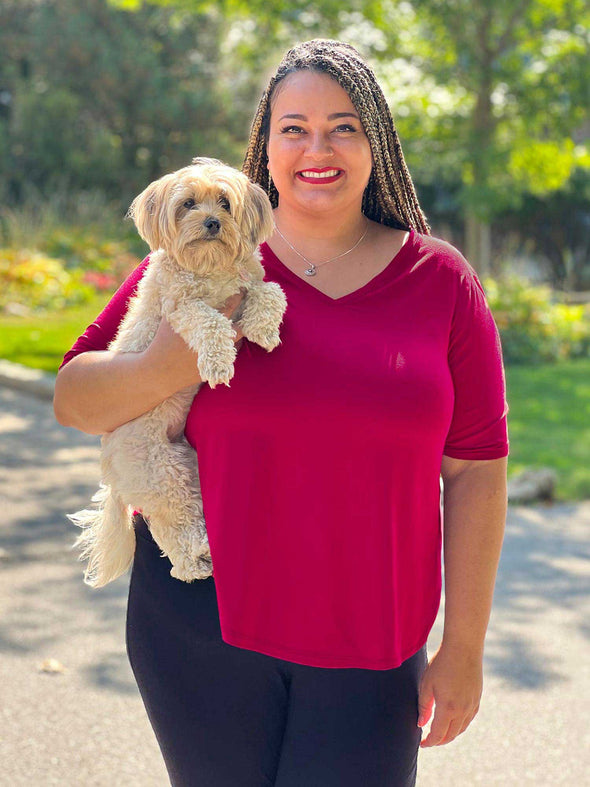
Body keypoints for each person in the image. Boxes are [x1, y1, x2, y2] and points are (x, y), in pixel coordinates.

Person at [54, 39, 509, 787]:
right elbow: (74, 397)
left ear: (378, 144)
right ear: (264, 146)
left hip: (374, 634)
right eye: (293, 127)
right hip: (201, 622)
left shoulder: (443, 283)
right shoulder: (196, 263)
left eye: (343, 127)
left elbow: (475, 473)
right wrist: (162, 364)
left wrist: (462, 646)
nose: (316, 148)